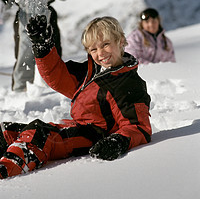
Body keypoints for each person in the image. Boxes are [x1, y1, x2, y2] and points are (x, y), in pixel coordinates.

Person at [0, 15, 152, 179]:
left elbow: (139, 127)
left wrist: (118, 141)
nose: (100, 53)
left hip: (94, 136)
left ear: (121, 41)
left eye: (106, 45)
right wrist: (42, 47)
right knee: (8, 131)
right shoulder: (92, 71)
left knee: (38, 135)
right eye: (93, 49)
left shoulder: (128, 83)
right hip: (78, 126)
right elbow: (58, 76)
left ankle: (6, 168)